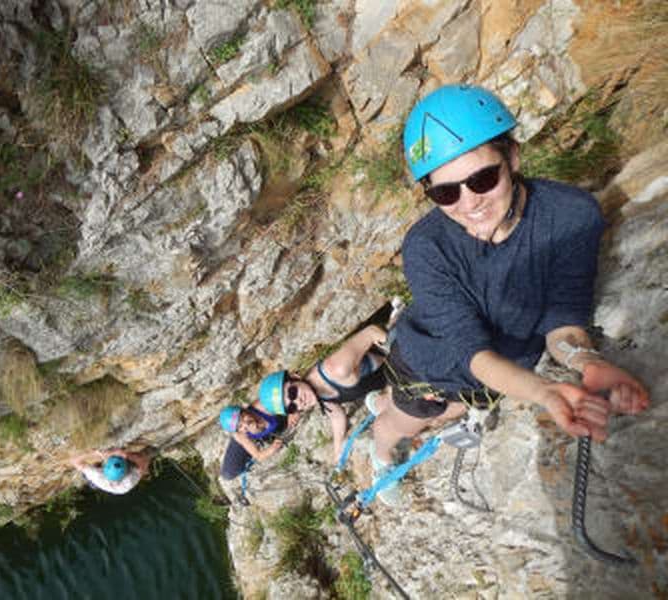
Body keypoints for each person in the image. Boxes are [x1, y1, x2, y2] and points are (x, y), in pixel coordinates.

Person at [364, 83, 649, 503]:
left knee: (459, 406)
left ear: (512, 157)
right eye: (446, 192)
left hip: (499, 367)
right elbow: (470, 351)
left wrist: (586, 361)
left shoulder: (571, 216)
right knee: (407, 421)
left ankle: (390, 404)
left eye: (483, 178)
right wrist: (544, 392)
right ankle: (381, 455)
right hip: (430, 365)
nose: (469, 203)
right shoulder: (427, 247)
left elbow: (562, 317)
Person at [249, 325, 390, 478]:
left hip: (400, 361)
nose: (298, 401)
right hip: (395, 379)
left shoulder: (335, 369)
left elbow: (371, 332)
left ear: (295, 377)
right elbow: (336, 415)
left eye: (292, 392)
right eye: (292, 407)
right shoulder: (320, 395)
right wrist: (338, 450)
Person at [219, 405, 287, 481]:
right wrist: (272, 449)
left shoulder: (262, 407)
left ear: (244, 410)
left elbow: (288, 400)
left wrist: (293, 413)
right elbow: (259, 456)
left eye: (243, 418)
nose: (245, 424)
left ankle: (259, 438)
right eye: (240, 426)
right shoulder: (240, 434)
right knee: (228, 474)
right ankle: (252, 444)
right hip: (247, 439)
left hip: (266, 429)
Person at [69, 447, 151, 495]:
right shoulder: (130, 479)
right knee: (143, 457)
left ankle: (90, 481)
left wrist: (95, 453)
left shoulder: (97, 476)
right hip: (118, 483)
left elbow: (74, 461)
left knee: (89, 471)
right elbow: (144, 463)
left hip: (104, 482)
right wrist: (127, 455)